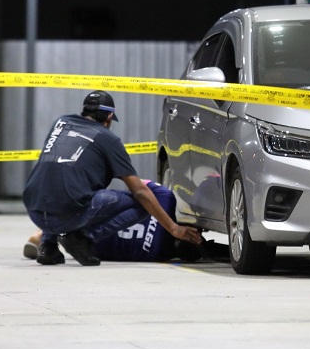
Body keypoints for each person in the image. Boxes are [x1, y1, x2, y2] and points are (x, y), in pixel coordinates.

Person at [22, 90, 203, 266]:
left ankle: (48, 246)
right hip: (67, 214)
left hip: (34, 209)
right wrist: (173, 228)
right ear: (109, 118)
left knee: (58, 183)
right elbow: (140, 192)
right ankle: (84, 239)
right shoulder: (108, 139)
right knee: (143, 203)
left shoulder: (60, 123)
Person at [23, 181, 227, 263]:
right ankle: (45, 234)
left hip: (88, 242)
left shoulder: (165, 197)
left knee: (133, 198)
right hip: (88, 246)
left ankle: (45, 233)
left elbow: (137, 188)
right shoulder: (162, 251)